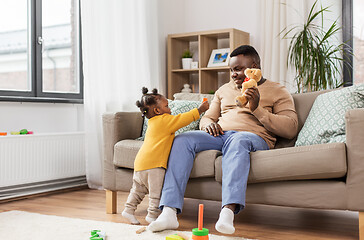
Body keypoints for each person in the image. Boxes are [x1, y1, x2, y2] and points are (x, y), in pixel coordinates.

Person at [148, 45, 298, 234]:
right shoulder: (223, 90)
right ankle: (169, 212)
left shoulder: (278, 90)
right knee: (182, 139)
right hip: (221, 135)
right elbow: (208, 117)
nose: (233, 74)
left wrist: (257, 109)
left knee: (238, 141)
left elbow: (291, 128)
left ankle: (228, 212)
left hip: (254, 137)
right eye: (231, 70)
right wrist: (207, 125)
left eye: (238, 69)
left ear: (254, 66)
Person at [122, 87, 209, 225]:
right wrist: (199, 110)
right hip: (154, 165)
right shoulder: (164, 120)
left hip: (140, 163)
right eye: (167, 106)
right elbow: (182, 119)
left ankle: (128, 210)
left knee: (138, 190)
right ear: (158, 111)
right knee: (156, 193)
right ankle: (153, 215)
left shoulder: (152, 122)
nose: (170, 109)